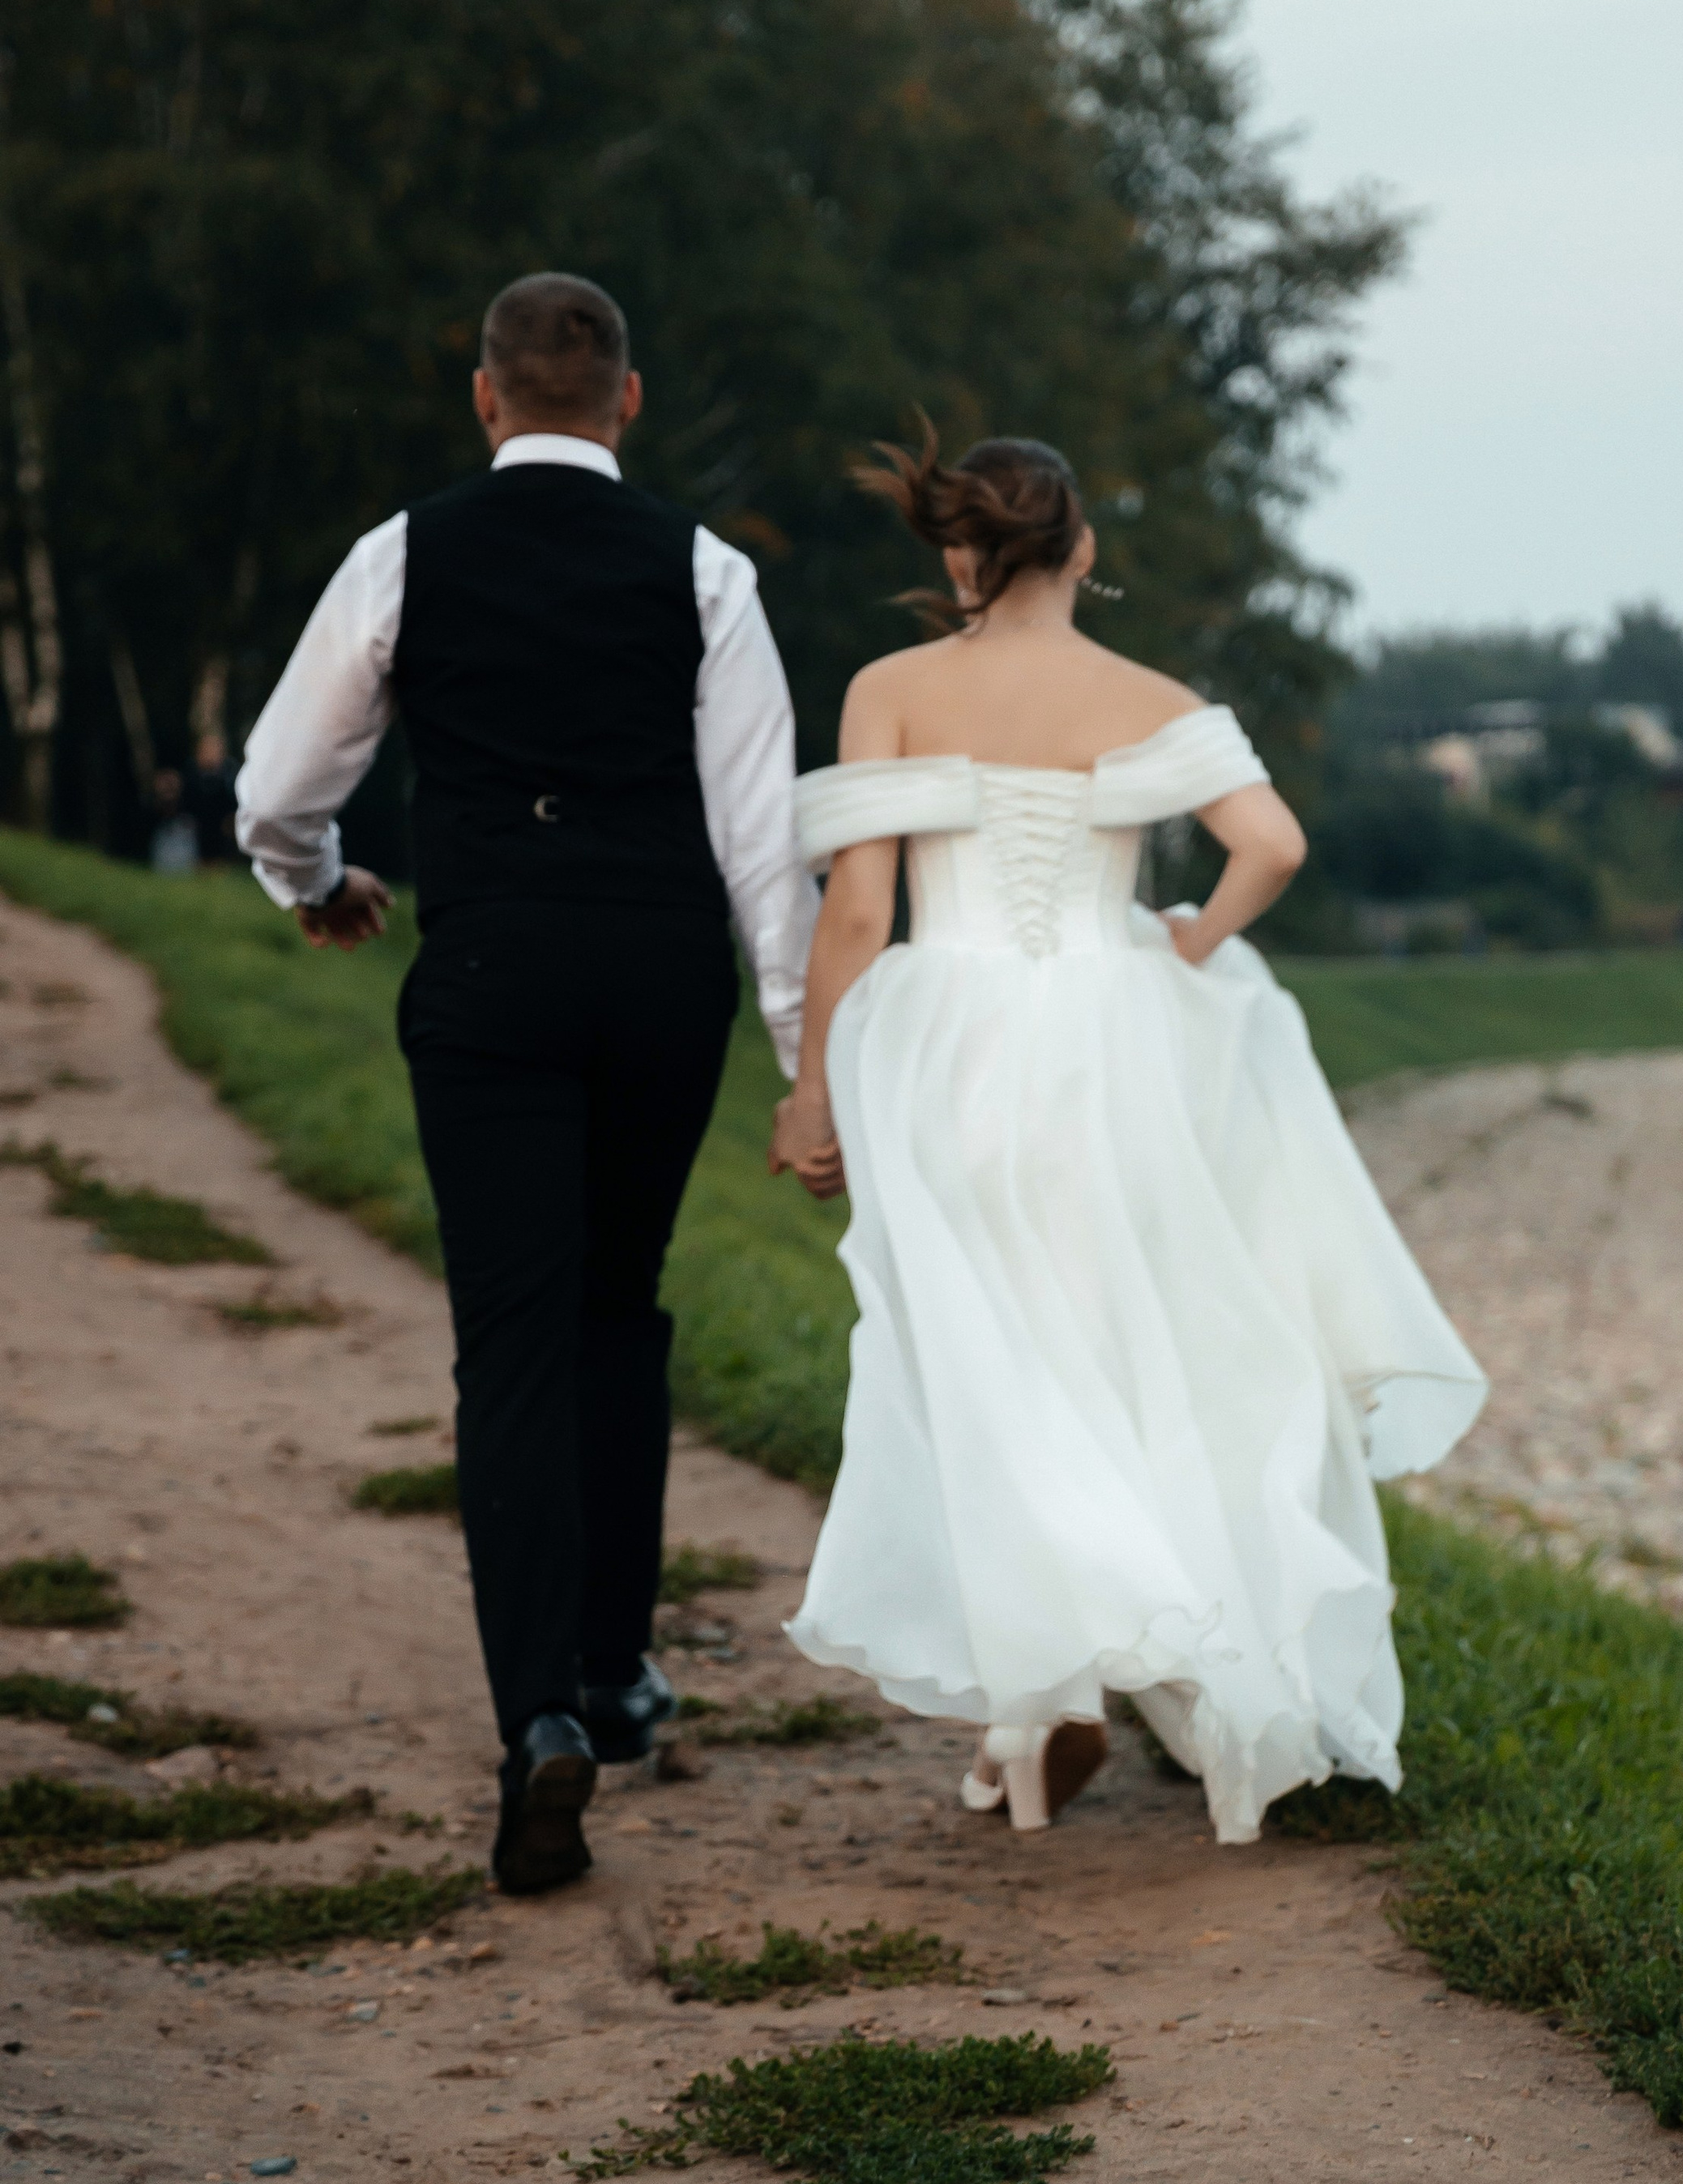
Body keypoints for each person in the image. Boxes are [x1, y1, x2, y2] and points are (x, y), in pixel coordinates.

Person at [768, 429, 1487, 1843]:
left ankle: (1040, 1707)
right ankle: (1077, 1693)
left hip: (956, 1049)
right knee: (1120, 1351)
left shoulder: (895, 688)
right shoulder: (1152, 698)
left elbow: (858, 913)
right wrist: (1193, 939)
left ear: (959, 554)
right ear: (1084, 550)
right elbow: (1271, 844)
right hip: (1117, 1049)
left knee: (990, 1364)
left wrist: (813, 1091)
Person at [235, 274, 818, 1893]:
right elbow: (765, 840)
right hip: (654, 974)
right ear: (626, 403)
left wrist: (313, 883)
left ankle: (539, 1720)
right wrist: (803, 1060)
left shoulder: (402, 553)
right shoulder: (704, 572)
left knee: (510, 1342)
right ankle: (618, 1667)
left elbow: (284, 784)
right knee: (618, 1304)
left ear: (483, 399)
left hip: (488, 967)